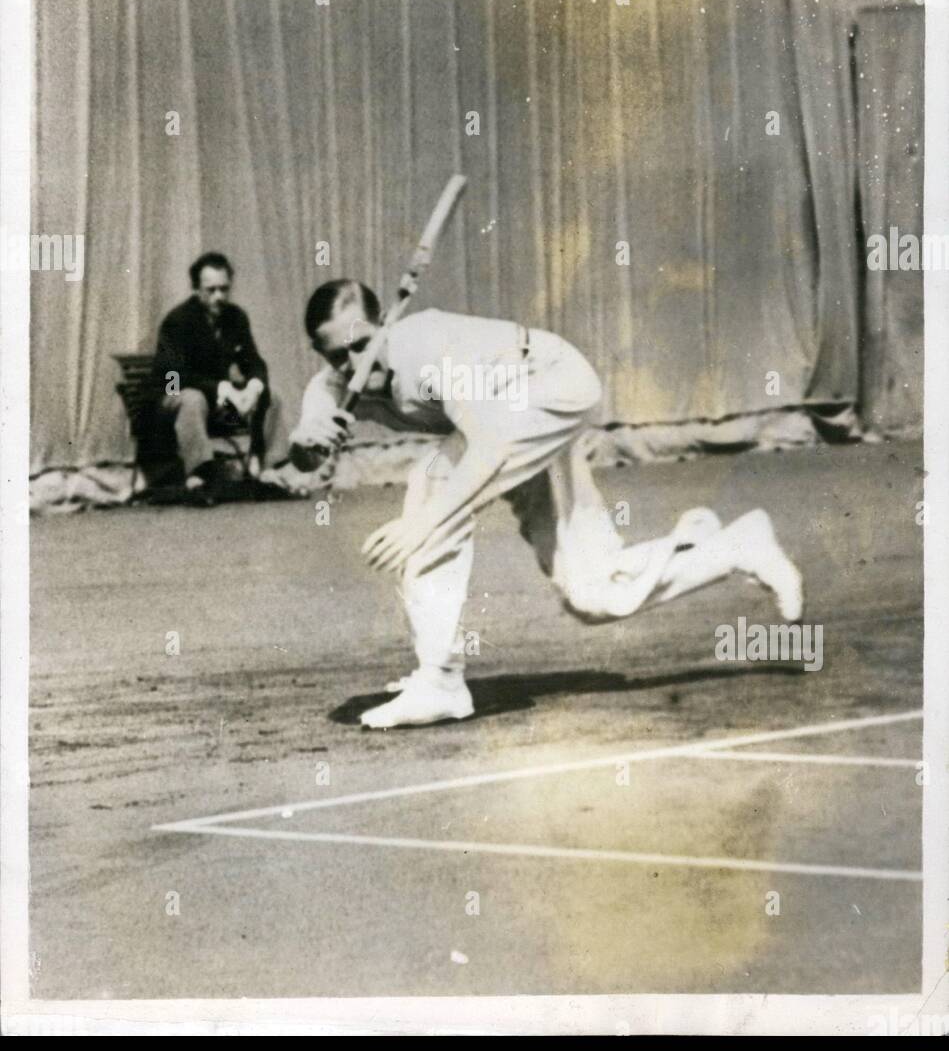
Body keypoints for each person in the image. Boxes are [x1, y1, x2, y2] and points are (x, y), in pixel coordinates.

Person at [290, 280, 804, 729]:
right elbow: (306, 453)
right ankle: (728, 546)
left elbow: (488, 448)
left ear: (384, 326)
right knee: (593, 592)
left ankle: (439, 680)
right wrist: (309, 441)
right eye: (336, 355)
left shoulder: (427, 351)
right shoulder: (331, 386)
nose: (350, 364)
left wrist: (421, 523)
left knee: (436, 481)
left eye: (359, 346)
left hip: (549, 385)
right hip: (513, 422)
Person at [153, 253, 279, 500]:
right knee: (191, 398)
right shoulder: (178, 321)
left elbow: (253, 360)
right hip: (170, 408)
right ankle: (200, 475)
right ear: (196, 289)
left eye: (224, 289)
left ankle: (267, 468)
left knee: (270, 395)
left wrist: (253, 387)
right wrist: (221, 388)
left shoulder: (236, 317)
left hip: (221, 412)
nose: (218, 297)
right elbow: (171, 376)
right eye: (210, 290)